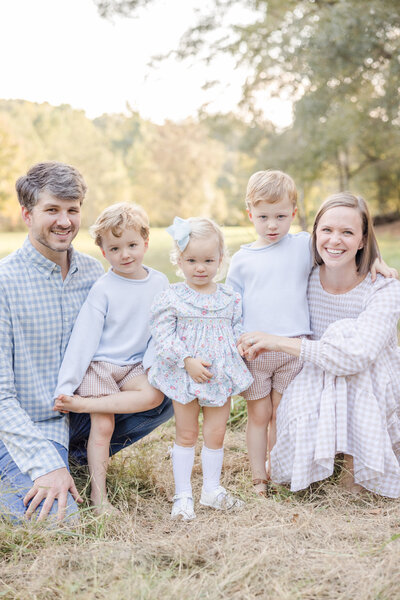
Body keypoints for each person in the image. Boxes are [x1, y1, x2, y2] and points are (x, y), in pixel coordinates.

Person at [0, 162, 173, 523]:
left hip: (77, 415)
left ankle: (73, 460)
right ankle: (37, 467)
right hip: (21, 428)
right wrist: (44, 462)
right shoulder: (5, 282)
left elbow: (133, 340)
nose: (64, 221)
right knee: (62, 523)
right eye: (52, 210)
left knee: (170, 386)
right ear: (27, 214)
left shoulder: (98, 275)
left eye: (72, 209)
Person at [227, 170, 396, 496]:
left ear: (362, 239)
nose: (335, 239)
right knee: (267, 411)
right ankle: (270, 474)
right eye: (327, 230)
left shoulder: (381, 287)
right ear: (316, 232)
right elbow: (233, 301)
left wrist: (377, 258)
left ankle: (352, 470)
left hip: (368, 379)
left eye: (348, 232)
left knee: (344, 355)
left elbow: (355, 356)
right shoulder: (300, 269)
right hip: (289, 363)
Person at [53, 202, 169, 514]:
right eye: (115, 248)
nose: (125, 254)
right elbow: (84, 339)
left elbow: (161, 331)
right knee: (102, 427)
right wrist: (67, 384)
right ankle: (99, 496)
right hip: (100, 366)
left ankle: (86, 405)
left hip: (133, 365)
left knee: (154, 394)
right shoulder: (104, 288)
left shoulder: (159, 283)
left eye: (132, 245)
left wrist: (154, 366)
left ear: (145, 242)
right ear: (104, 253)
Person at [148, 217, 253, 520]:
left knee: (216, 433)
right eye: (191, 260)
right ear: (179, 260)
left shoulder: (229, 298)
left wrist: (242, 346)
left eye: (208, 260)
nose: (200, 267)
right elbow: (163, 335)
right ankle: (183, 494)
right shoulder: (173, 296)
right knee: (186, 433)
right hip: (186, 375)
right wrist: (187, 360)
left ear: (221, 259)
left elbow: (235, 330)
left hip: (219, 376)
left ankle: (212, 489)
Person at [226, 170, 312, 495]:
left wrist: (376, 264)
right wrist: (236, 342)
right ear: (250, 214)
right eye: (263, 217)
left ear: (294, 213)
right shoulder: (242, 260)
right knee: (259, 414)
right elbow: (231, 307)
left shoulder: (304, 246)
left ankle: (278, 470)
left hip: (293, 349)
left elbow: (342, 253)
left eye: (280, 216)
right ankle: (258, 477)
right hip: (256, 352)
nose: (272, 225)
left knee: (282, 413)